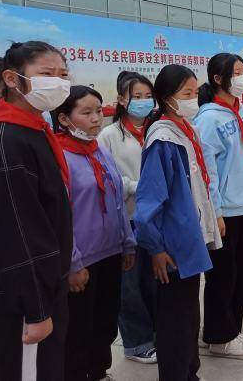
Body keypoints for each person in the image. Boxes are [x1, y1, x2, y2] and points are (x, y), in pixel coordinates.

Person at [135, 64, 222, 381]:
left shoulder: (186, 129)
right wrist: (156, 248)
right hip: (171, 247)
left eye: (195, 91)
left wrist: (213, 221)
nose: (193, 98)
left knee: (188, 314)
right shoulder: (163, 138)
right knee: (173, 320)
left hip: (190, 239)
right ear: (166, 98)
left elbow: (199, 186)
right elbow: (149, 200)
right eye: (186, 93)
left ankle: (189, 371)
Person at [0, 42, 73, 381]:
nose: (57, 83)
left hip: (48, 286)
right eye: (46, 74)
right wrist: (37, 308)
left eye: (63, 75)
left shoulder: (34, 129)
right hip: (24, 300)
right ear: (13, 80)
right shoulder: (8, 140)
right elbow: (19, 232)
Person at [53, 85, 136, 381]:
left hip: (110, 251)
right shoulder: (57, 155)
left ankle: (99, 371)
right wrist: (73, 263)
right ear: (64, 119)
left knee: (105, 320)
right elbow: (59, 216)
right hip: (81, 259)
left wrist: (127, 243)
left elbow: (117, 200)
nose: (96, 119)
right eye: (86, 113)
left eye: (99, 111)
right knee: (78, 327)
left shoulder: (98, 150)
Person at [193, 53, 243, 357]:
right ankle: (220, 335)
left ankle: (226, 327)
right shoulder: (209, 118)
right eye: (235, 73)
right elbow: (207, 170)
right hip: (225, 212)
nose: (242, 78)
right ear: (217, 79)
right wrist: (216, 211)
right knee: (223, 274)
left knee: (241, 269)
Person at [97, 71, 158, 365]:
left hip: (156, 217)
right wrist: (139, 186)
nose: (144, 102)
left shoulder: (156, 128)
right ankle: (136, 343)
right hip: (129, 218)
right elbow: (108, 178)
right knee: (129, 285)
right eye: (137, 96)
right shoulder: (109, 135)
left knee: (153, 280)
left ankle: (156, 332)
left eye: (148, 96)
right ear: (122, 99)